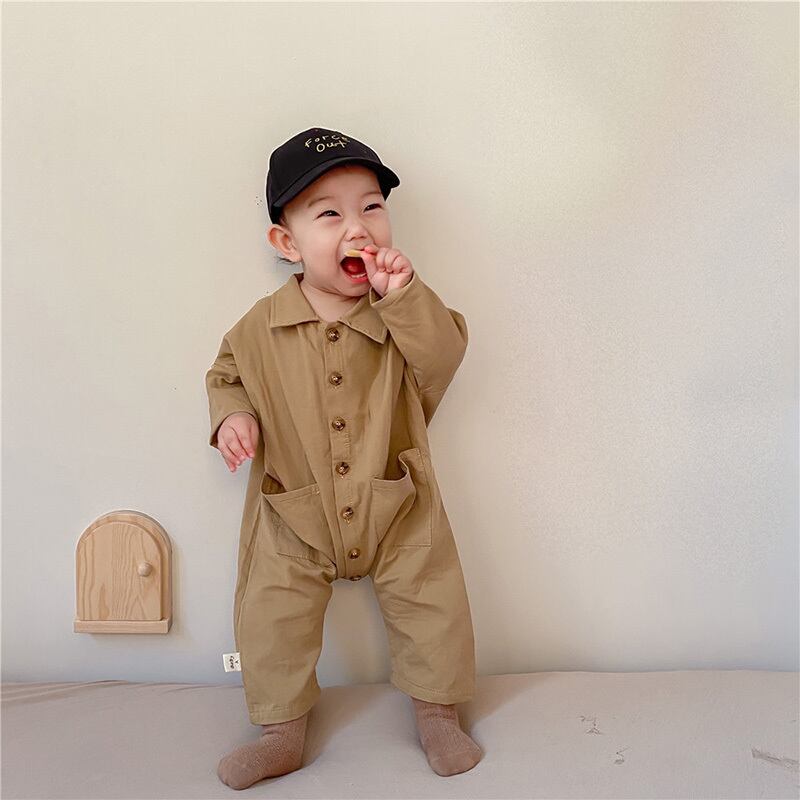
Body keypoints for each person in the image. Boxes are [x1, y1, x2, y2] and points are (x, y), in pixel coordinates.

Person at [206, 127, 481, 789]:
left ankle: (438, 715)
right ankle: (280, 732)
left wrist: (403, 295)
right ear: (287, 243)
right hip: (293, 507)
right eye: (330, 213)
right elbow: (226, 374)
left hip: (396, 497)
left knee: (432, 601)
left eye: (372, 207)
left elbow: (444, 354)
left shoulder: (400, 313)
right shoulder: (258, 327)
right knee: (271, 613)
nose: (358, 227)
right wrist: (232, 417)